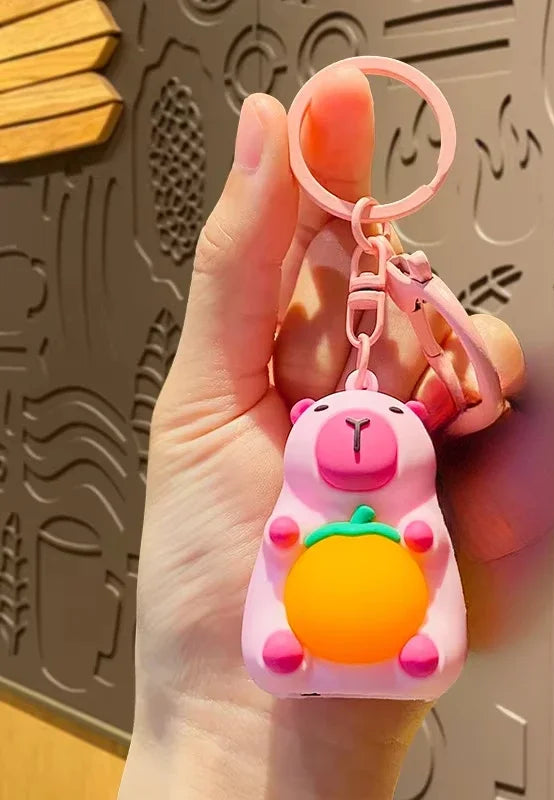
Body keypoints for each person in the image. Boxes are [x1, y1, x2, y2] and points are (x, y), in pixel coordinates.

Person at [117, 66, 525, 800]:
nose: (362, 431)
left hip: (377, 627)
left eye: (390, 423)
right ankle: (303, 654)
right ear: (304, 422)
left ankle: (385, 652)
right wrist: (213, 729)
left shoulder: (407, 500)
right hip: (299, 642)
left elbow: (415, 543)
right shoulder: (299, 501)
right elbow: (286, 542)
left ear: (417, 431)